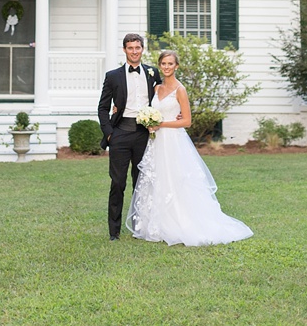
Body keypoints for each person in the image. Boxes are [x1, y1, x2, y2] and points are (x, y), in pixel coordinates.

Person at [125, 49, 253, 246]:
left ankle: (179, 222)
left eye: (170, 64)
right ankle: (154, 224)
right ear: (160, 66)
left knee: (176, 179)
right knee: (156, 178)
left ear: (176, 66)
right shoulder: (156, 88)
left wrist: (162, 124)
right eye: (164, 64)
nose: (167, 67)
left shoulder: (180, 90)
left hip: (173, 141)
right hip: (156, 141)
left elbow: (187, 121)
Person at [97, 33, 162, 241]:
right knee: (117, 183)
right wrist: (109, 134)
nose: (134, 51)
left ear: (142, 49)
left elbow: (162, 98)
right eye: (130, 48)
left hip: (144, 133)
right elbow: (103, 108)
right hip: (120, 134)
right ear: (124, 50)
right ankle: (114, 231)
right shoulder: (113, 76)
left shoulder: (152, 73)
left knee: (141, 182)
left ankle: (138, 227)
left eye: (138, 47)